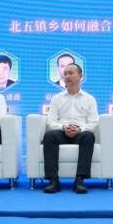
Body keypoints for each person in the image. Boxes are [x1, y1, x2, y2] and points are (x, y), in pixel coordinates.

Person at [43, 63, 99, 194]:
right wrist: (63, 127)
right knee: (49, 136)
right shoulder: (56, 98)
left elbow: (93, 122)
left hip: (80, 133)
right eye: (65, 73)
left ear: (80, 76)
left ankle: (80, 180)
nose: (67, 76)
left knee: (89, 136)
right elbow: (51, 121)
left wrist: (80, 129)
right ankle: (53, 180)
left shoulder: (89, 99)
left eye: (71, 73)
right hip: (62, 132)